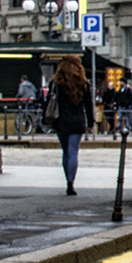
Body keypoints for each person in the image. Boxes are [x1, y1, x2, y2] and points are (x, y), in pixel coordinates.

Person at [49, 53, 94, 196]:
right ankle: (71, 183)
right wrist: (91, 122)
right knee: (74, 151)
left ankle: (67, 179)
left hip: (60, 121)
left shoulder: (56, 83)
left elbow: (48, 101)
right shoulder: (83, 83)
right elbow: (88, 105)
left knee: (66, 151)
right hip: (77, 121)